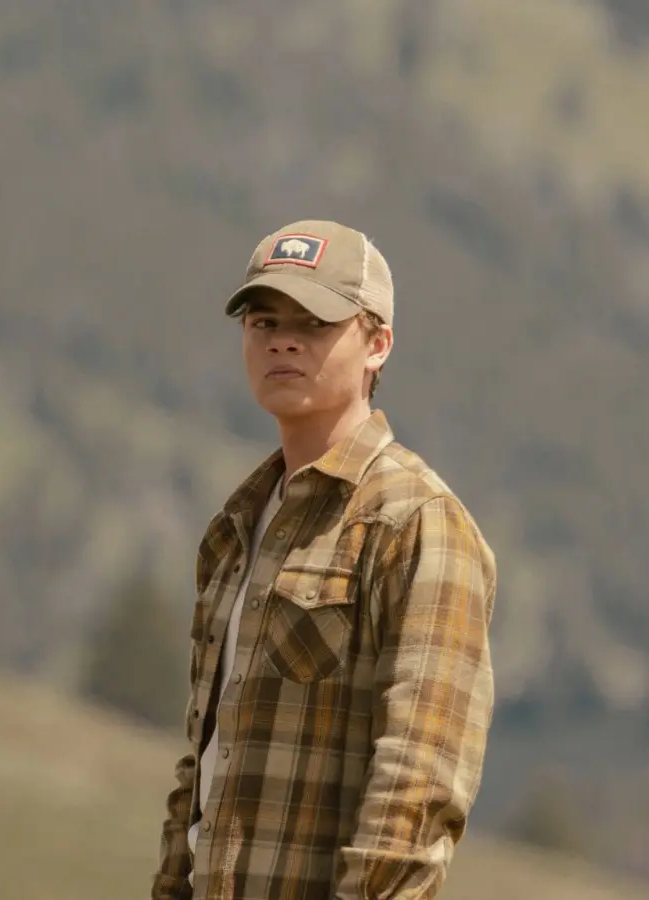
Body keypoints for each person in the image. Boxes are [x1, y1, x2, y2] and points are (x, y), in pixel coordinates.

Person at [151, 220, 497, 899]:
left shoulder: (418, 523)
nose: (281, 339)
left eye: (313, 323)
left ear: (377, 344)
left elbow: (419, 785)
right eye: (263, 319)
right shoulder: (235, 527)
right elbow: (201, 774)